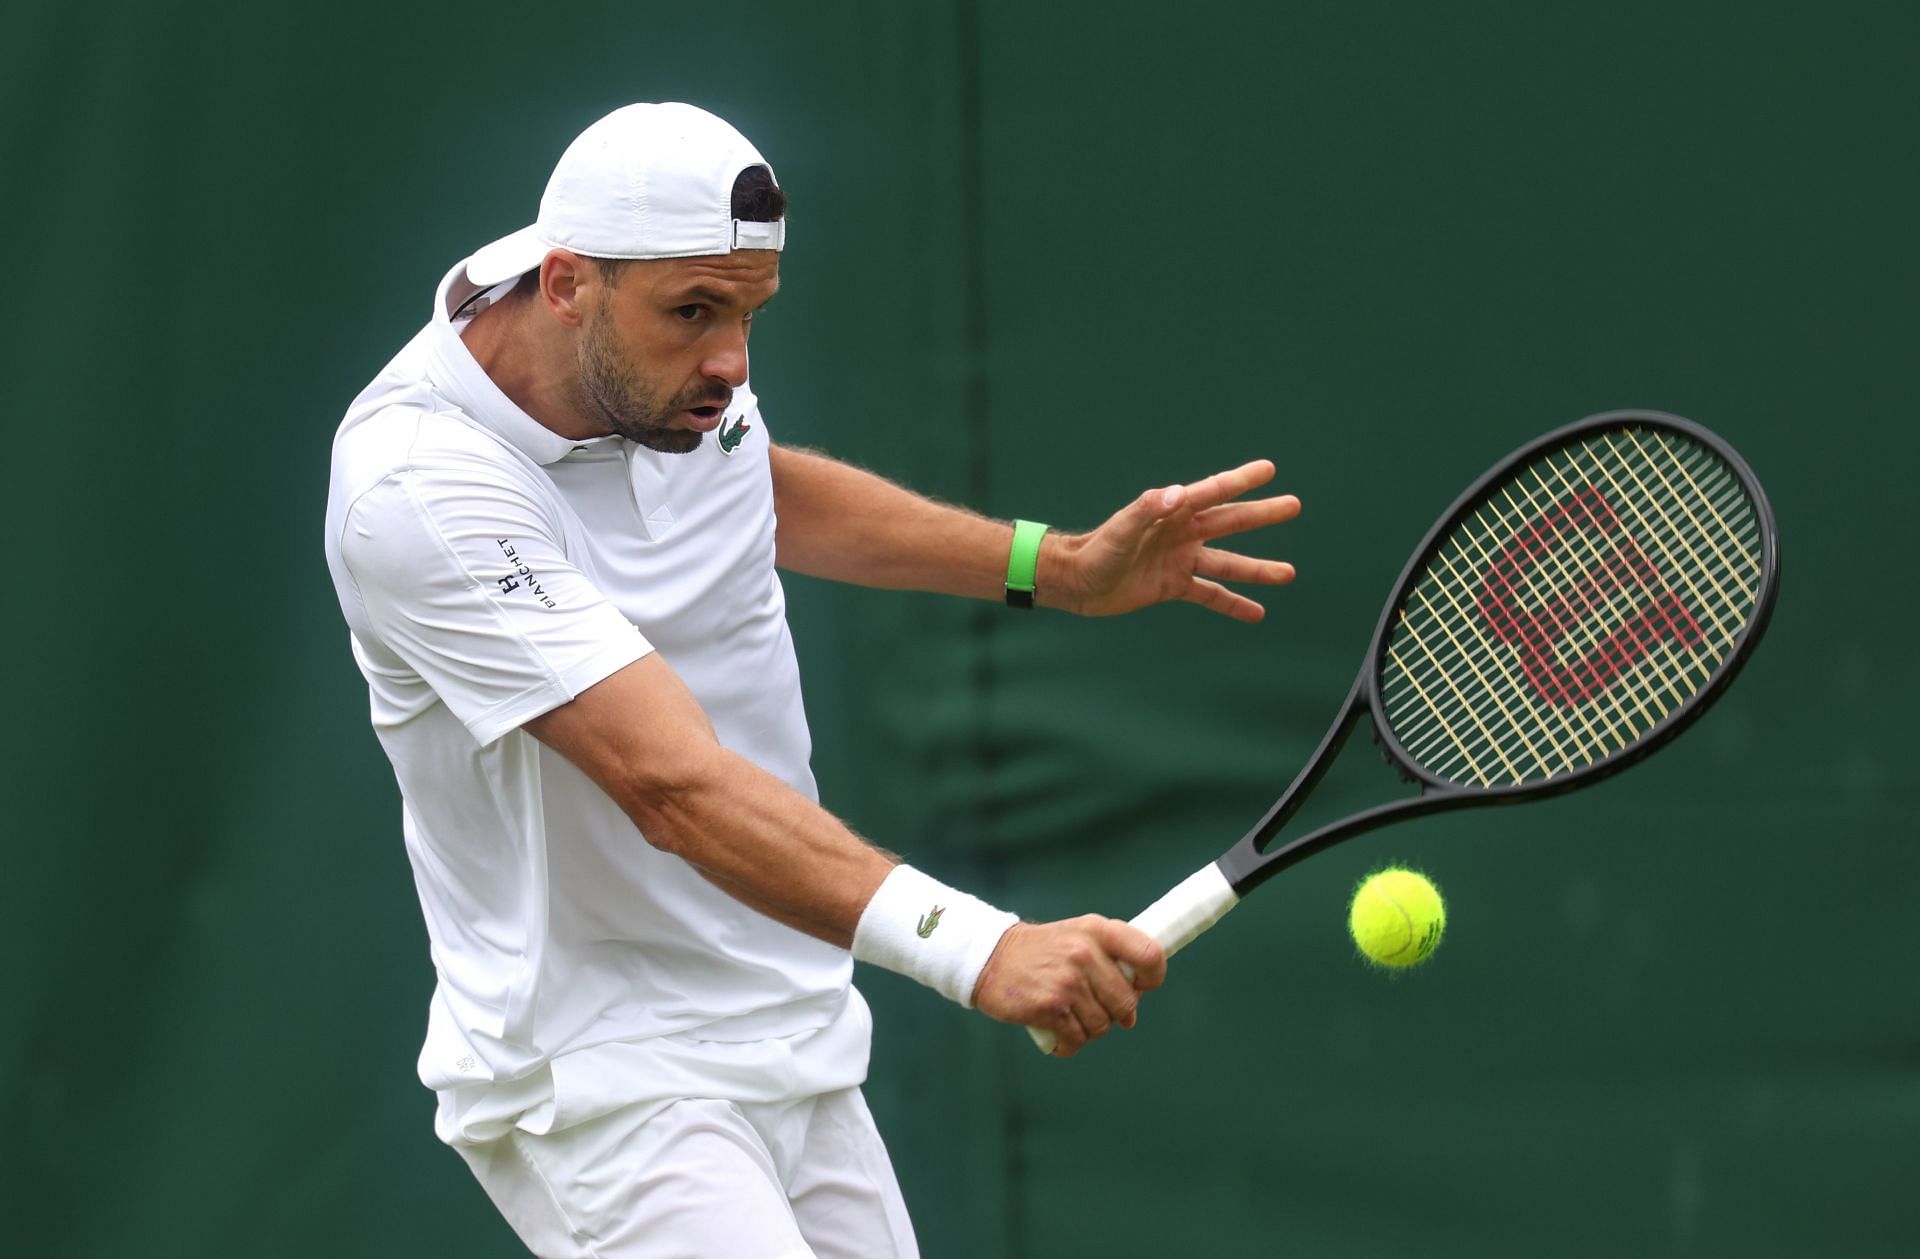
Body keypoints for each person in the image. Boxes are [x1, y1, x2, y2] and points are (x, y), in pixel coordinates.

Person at [322, 102, 1300, 1259]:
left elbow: (751, 486)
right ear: (568, 282)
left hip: (794, 1027)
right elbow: (671, 784)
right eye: (695, 314)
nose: (731, 364)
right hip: (603, 1076)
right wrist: (982, 946)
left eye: (749, 314)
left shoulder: (643, 346)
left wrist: (1059, 568)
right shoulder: (421, 493)